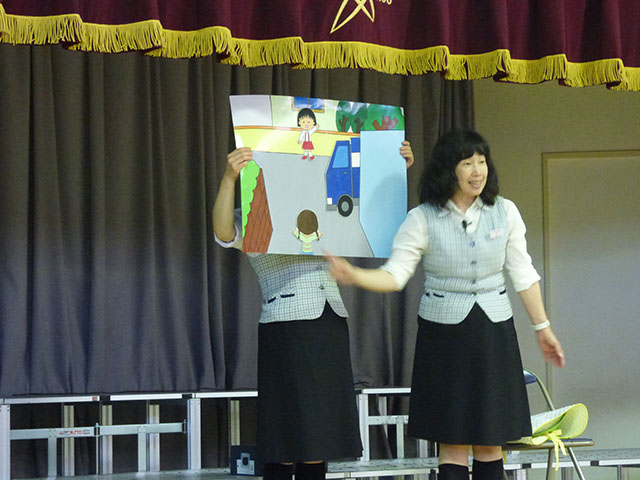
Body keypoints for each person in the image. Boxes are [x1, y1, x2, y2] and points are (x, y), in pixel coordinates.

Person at [327, 129, 565, 480]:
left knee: (490, 441)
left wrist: (543, 328)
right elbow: (396, 275)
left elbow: (523, 273)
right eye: (467, 163)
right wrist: (355, 275)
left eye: (481, 162)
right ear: (448, 169)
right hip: (444, 337)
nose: (477, 171)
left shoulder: (506, 211)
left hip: (493, 333)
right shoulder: (422, 217)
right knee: (452, 443)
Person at [213, 142, 414, 480]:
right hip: (285, 326)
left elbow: (368, 210)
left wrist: (393, 170)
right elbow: (222, 232)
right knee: (285, 436)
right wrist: (229, 178)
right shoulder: (255, 211)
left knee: (318, 437)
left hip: (329, 322)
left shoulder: (322, 207)